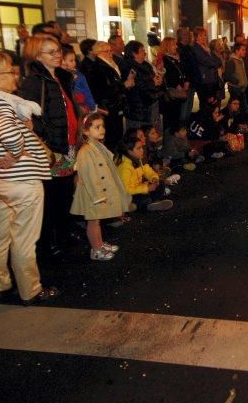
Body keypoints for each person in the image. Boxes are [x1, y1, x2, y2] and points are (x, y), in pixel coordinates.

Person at [0, 51, 57, 304]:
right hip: (21, 180)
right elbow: (9, 135)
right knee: (24, 238)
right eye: (9, 72)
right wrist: (16, 152)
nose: (15, 75)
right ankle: (31, 290)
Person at [18, 36, 79, 259]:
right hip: (53, 147)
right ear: (36, 55)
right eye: (50, 52)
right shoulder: (35, 81)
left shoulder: (61, 77)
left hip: (67, 143)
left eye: (57, 51)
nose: (57, 55)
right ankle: (48, 242)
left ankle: (63, 233)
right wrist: (46, 136)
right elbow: (28, 116)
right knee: (51, 196)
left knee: (64, 193)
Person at [71, 113, 131, 261]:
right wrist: (98, 197)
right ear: (85, 131)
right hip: (93, 194)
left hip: (99, 192)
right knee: (93, 223)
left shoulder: (97, 146)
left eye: (102, 126)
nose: (102, 129)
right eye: (97, 127)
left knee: (97, 221)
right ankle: (96, 249)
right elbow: (89, 176)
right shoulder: (85, 151)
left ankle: (99, 244)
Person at [87, 41, 133, 149]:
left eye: (110, 51)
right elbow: (103, 90)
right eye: (106, 51)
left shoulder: (110, 64)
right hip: (108, 108)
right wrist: (124, 85)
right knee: (111, 138)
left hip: (116, 106)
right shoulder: (98, 68)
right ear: (98, 53)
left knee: (118, 136)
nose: (109, 54)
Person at [115, 134, 173, 211]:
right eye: (138, 148)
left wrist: (154, 178)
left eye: (141, 147)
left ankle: (155, 202)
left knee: (160, 183)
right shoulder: (124, 167)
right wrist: (146, 188)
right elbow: (125, 190)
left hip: (139, 187)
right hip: (128, 194)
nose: (142, 150)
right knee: (142, 198)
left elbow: (147, 170)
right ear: (129, 151)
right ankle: (148, 205)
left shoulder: (136, 159)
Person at [123, 40, 164, 130]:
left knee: (154, 132)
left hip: (152, 102)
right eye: (142, 50)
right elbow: (136, 85)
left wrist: (159, 79)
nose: (145, 53)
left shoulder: (146, 65)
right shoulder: (128, 67)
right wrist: (153, 82)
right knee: (142, 134)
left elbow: (153, 77)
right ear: (134, 53)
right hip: (139, 107)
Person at [158, 37, 190, 133]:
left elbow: (183, 70)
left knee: (177, 114)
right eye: (173, 45)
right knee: (171, 117)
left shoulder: (177, 58)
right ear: (167, 47)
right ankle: (170, 139)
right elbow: (168, 75)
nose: (176, 47)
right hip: (171, 92)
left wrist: (186, 81)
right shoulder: (164, 59)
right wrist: (178, 85)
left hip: (180, 89)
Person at [192, 27, 223, 106]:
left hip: (211, 78)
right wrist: (215, 63)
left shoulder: (206, 47)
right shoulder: (196, 48)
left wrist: (216, 62)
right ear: (196, 37)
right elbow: (206, 61)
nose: (203, 37)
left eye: (205, 35)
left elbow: (218, 60)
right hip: (204, 80)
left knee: (213, 103)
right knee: (206, 104)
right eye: (200, 35)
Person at [61, 47, 97, 113]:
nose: (74, 63)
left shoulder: (79, 75)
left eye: (75, 60)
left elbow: (86, 91)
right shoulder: (59, 76)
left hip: (84, 107)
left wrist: (92, 106)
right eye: (71, 61)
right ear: (61, 61)